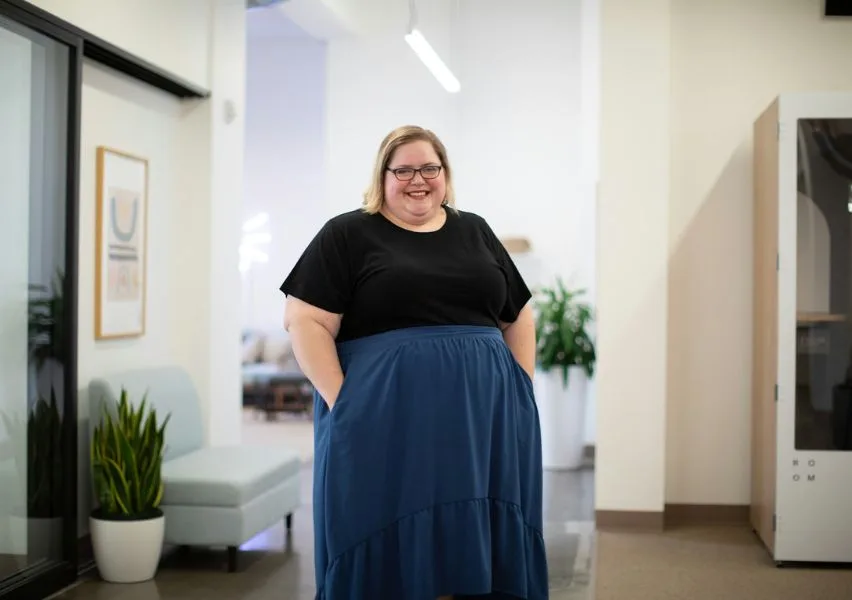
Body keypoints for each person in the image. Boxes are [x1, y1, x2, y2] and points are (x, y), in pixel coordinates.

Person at [280, 125, 548, 600]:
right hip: (386, 418)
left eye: (429, 168)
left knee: (478, 524)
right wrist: (345, 401)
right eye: (403, 169)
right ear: (382, 176)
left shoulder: (475, 229)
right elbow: (304, 321)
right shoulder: (348, 233)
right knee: (384, 521)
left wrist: (518, 386)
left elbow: (518, 312)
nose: (417, 179)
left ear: (444, 173)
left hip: (483, 420)